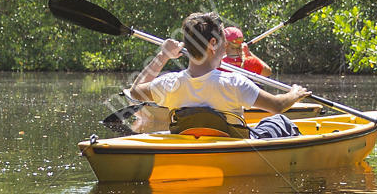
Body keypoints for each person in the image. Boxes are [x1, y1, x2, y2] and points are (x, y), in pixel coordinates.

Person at [128, 12, 307, 138]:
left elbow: (135, 91)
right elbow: (277, 106)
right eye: (224, 42)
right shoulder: (234, 82)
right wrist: (295, 94)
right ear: (213, 43)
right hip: (234, 144)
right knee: (280, 120)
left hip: (190, 141)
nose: (226, 48)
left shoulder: (169, 83)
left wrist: (163, 55)